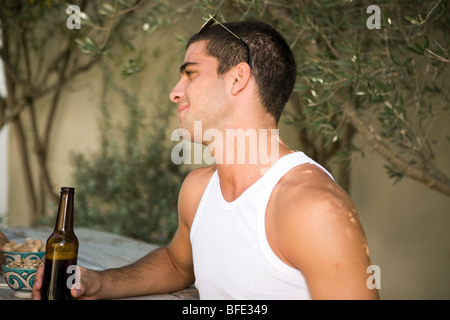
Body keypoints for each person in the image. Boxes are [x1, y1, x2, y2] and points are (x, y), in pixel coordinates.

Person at [32, 17, 379, 300]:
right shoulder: (197, 190)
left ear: (238, 78)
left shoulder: (310, 207)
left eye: (190, 73)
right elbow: (177, 263)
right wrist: (100, 283)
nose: (175, 91)